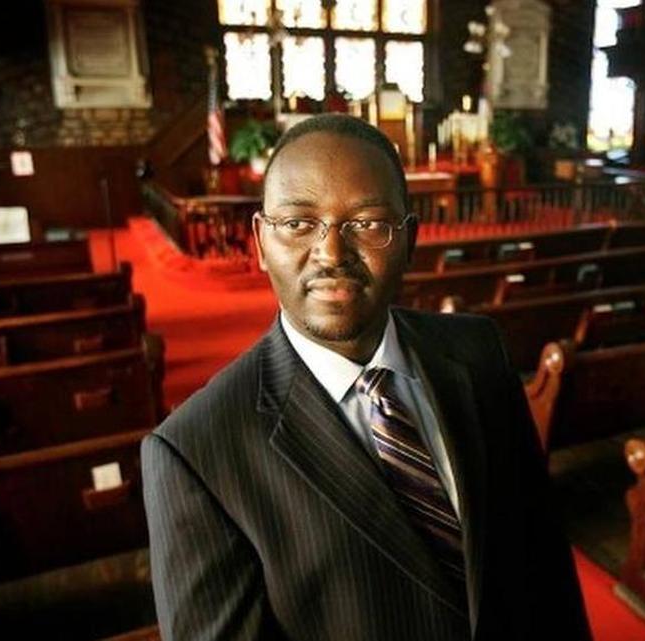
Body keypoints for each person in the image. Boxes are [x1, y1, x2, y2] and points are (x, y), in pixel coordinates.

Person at [142, 114, 590, 641]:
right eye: (298, 223)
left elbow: (539, 555)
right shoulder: (196, 451)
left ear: (409, 239)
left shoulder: (476, 351)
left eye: (369, 223)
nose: (331, 254)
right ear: (261, 242)